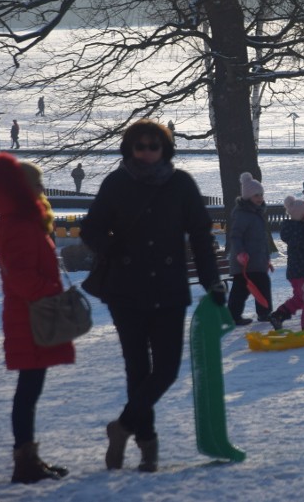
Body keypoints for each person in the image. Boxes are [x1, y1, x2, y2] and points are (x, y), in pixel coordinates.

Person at [80, 119, 224, 473]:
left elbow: (202, 237)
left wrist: (213, 282)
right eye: (139, 146)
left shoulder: (181, 184)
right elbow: (91, 227)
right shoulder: (116, 182)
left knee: (167, 370)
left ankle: (122, 427)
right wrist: (109, 246)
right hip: (126, 289)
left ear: (165, 149)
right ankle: (147, 446)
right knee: (137, 369)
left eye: (153, 146)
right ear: (129, 149)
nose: (145, 152)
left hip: (169, 289)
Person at [0, 153, 74, 484]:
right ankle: (24, 462)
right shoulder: (18, 223)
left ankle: (27, 458)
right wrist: (50, 291)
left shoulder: (22, 219)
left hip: (30, 313)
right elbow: (20, 277)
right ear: (24, 188)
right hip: (30, 315)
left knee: (30, 390)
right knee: (27, 391)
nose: (43, 188)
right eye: (38, 182)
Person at [227, 172, 273, 326]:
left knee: (263, 285)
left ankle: (264, 313)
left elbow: (261, 241)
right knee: (240, 290)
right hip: (244, 262)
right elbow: (235, 236)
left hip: (257, 261)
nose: (260, 198)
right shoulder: (242, 214)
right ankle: (234, 316)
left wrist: (266, 260)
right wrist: (240, 252)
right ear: (247, 197)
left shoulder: (257, 213)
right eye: (256, 195)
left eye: (261, 194)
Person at [270, 196, 304, 330]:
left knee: (300, 298)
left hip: (303, 270)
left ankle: (279, 315)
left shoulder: (302, 226)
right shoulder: (293, 229)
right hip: (300, 271)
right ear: (299, 215)